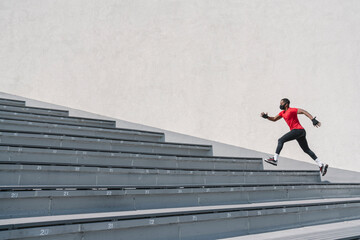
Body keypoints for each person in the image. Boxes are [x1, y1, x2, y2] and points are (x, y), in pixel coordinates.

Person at [261, 98, 328, 176]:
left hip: (298, 130)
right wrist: (266, 117)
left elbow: (303, 111)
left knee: (281, 140)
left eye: (281, 103)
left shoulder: (292, 110)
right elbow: (274, 119)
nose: (280, 105)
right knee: (306, 150)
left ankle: (275, 159)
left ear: (286, 104)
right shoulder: (282, 113)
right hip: (300, 132)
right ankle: (321, 164)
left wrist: (312, 119)